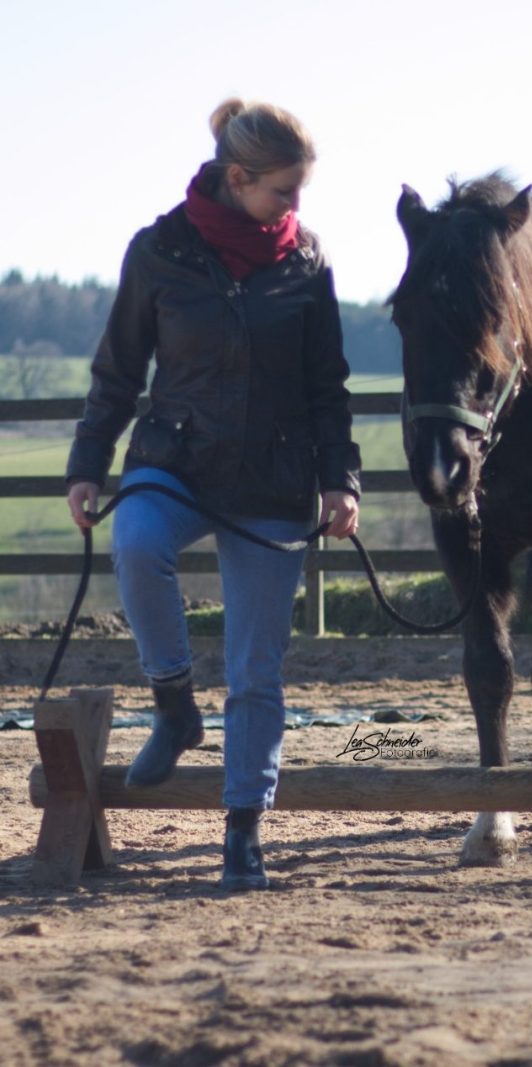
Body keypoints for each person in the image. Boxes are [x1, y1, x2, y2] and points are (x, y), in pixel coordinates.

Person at [66, 98, 361, 891]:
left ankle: (243, 829)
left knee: (256, 668)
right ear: (238, 178)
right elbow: (118, 371)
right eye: (283, 193)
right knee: (137, 542)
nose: (296, 209)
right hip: (177, 460)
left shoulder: (310, 261)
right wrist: (89, 462)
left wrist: (341, 481)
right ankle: (173, 704)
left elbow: (328, 387)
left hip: (274, 477)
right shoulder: (159, 250)